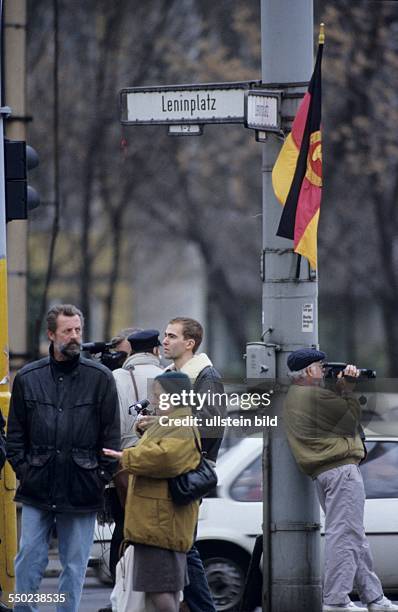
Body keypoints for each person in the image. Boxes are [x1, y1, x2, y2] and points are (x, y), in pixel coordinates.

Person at [6, 304, 120, 612]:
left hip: (82, 485)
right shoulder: (29, 377)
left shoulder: (100, 378)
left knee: (74, 565)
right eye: (67, 331)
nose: (74, 337)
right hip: (38, 484)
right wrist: (25, 470)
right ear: (51, 334)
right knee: (29, 557)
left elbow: (111, 437)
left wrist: (99, 476)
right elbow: (15, 436)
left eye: (78, 330)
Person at [283, 348, 398, 612]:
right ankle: (335, 600)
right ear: (309, 371)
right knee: (344, 537)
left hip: (326, 472)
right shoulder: (311, 395)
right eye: (320, 368)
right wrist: (346, 388)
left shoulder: (298, 396)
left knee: (353, 537)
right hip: (340, 471)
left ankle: (375, 597)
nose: (323, 372)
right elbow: (352, 419)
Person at [103, 371, 201, 612]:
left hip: (160, 523)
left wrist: (126, 455)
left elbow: (167, 458)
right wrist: (148, 429)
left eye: (159, 395)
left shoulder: (181, 424)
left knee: (161, 590)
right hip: (156, 522)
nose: (154, 400)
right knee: (158, 589)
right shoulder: (174, 421)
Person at [163, 317, 225, 612]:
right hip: (172, 465)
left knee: (183, 544)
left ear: (189, 343)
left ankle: (201, 608)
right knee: (177, 543)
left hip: (190, 469)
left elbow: (210, 425)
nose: (165, 341)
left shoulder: (205, 376)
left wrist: (162, 423)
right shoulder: (171, 374)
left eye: (172, 336)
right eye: (165, 335)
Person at [109, 328, 163, 581]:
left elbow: (111, 423)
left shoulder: (116, 377)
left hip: (124, 460)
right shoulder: (170, 376)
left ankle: (120, 583)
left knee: (124, 523)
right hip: (159, 459)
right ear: (155, 350)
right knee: (156, 525)